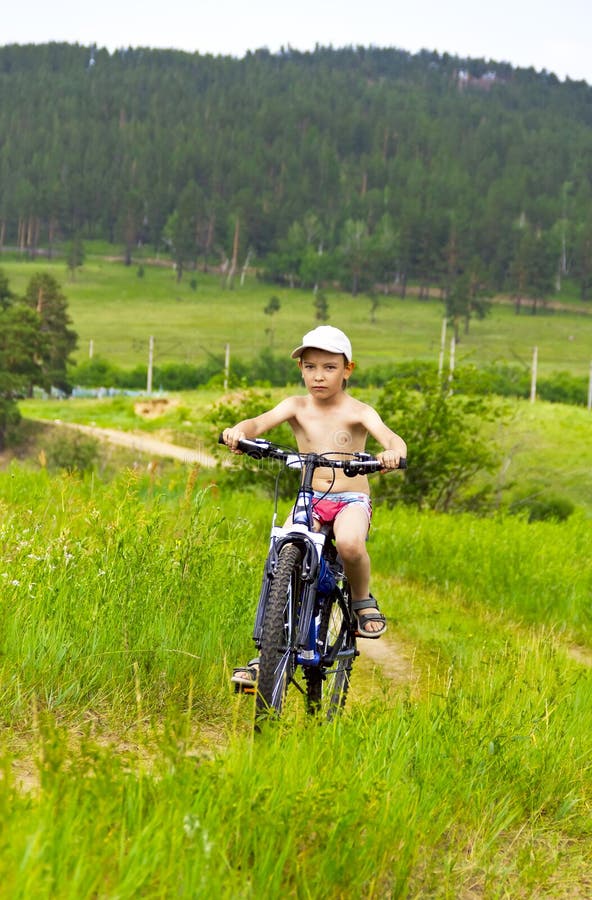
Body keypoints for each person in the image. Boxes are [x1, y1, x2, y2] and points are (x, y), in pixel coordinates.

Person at [221, 325, 407, 686]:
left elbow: (390, 437)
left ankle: (361, 600)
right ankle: (267, 654)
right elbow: (257, 422)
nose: (318, 376)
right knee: (282, 553)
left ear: (347, 370)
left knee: (350, 544)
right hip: (311, 498)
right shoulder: (296, 406)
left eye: (329, 367)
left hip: (350, 499)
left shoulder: (358, 411)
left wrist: (392, 453)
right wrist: (239, 432)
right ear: (301, 369)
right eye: (310, 367)